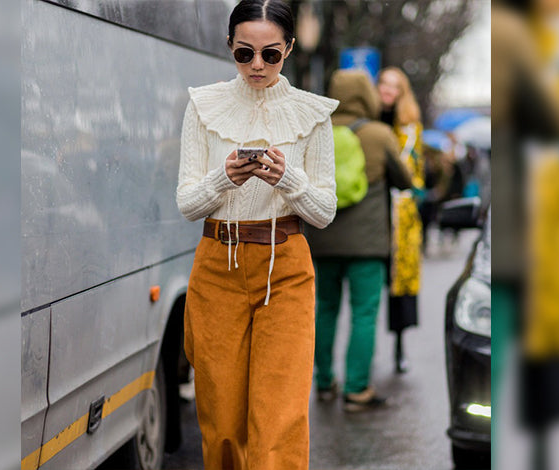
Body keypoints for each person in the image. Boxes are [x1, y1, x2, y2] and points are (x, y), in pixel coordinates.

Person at [175, 1, 339, 468]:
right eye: (244, 53)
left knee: (278, 422)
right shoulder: (203, 106)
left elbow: (324, 212)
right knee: (223, 423)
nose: (257, 66)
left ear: (288, 48)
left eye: (271, 54)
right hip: (216, 265)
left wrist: (288, 179)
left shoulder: (313, 114)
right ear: (229, 46)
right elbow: (187, 204)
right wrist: (225, 177)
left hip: (285, 268)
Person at [304, 69, 412, 411]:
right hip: (367, 244)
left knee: (325, 309)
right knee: (364, 314)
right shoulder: (379, 135)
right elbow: (404, 180)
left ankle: (323, 383)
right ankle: (356, 389)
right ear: (367, 96)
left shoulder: (316, 132)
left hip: (322, 238)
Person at [377, 66, 424, 374]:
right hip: (373, 208)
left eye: (395, 86)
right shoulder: (367, 118)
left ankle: (399, 346)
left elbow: (416, 173)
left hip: (401, 212)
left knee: (400, 283)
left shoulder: (411, 129)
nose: (388, 90)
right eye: (384, 84)